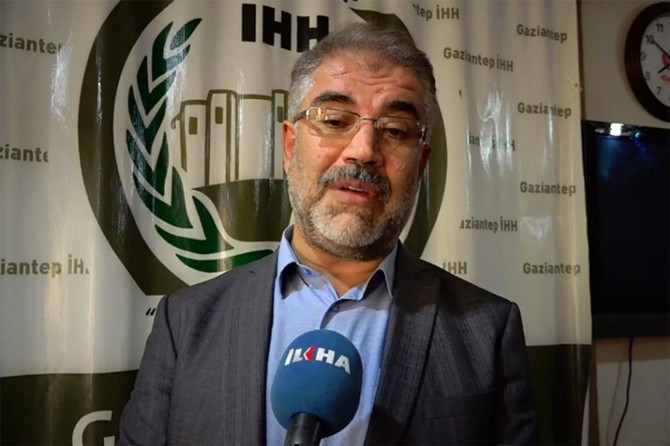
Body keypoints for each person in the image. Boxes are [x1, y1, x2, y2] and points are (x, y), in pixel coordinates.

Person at [119, 22, 540, 445]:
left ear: (421, 164)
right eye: (335, 120)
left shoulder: (487, 330)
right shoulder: (184, 322)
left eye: (395, 130)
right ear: (289, 146)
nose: (364, 150)